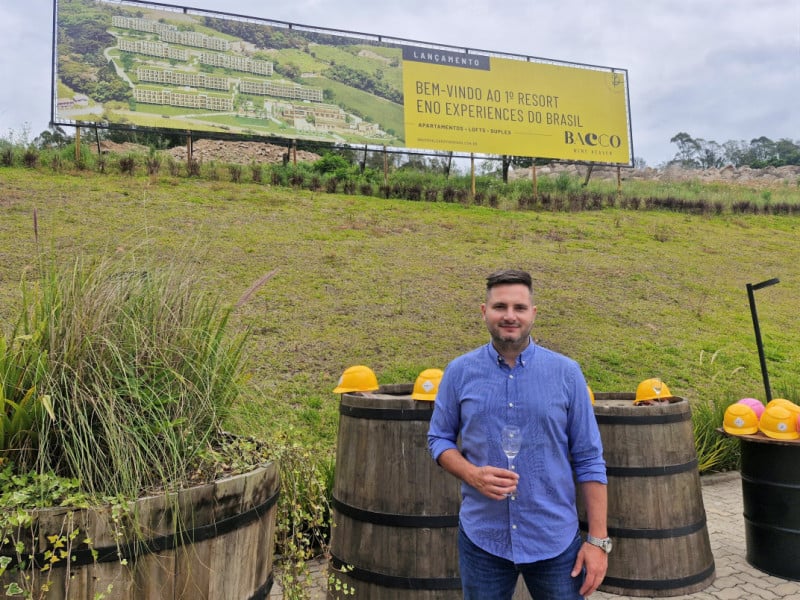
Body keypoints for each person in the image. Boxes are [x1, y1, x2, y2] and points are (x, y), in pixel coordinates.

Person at [427, 268, 609, 599]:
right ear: (484, 311)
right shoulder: (459, 372)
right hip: (483, 539)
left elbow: (589, 458)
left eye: (519, 308)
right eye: (500, 306)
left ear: (533, 313)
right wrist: (472, 474)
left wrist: (597, 542)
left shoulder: (567, 374)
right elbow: (438, 438)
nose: (510, 316)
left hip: (554, 541)